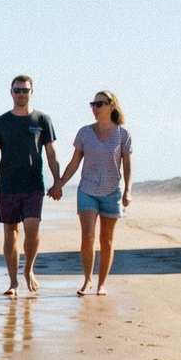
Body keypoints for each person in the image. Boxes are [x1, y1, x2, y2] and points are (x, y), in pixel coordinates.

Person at [0, 76, 60, 296]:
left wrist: (58, 181)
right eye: (17, 90)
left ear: (32, 92)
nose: (21, 94)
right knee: (10, 233)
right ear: (11, 93)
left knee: (32, 228)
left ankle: (29, 269)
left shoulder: (42, 120)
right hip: (7, 184)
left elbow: (51, 152)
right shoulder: (0, 122)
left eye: (25, 90)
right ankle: (13, 282)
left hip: (33, 183)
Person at [51, 90, 133, 295]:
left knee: (106, 240)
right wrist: (59, 183)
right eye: (92, 104)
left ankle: (102, 283)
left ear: (111, 107)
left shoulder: (123, 133)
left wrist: (128, 191)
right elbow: (74, 163)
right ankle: (87, 279)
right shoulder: (84, 133)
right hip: (87, 190)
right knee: (87, 236)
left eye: (99, 104)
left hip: (112, 191)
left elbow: (128, 165)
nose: (94, 108)